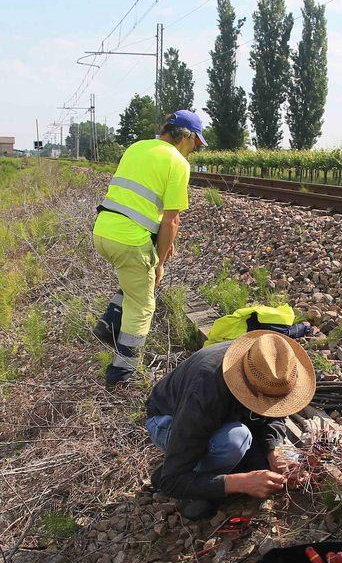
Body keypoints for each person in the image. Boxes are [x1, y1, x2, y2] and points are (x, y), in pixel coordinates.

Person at [146, 330, 316, 520]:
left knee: (262, 464)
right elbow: (171, 482)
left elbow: (273, 413)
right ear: (247, 389)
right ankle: (191, 472)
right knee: (235, 441)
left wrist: (274, 451)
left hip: (222, 417)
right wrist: (241, 483)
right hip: (166, 420)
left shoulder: (267, 370)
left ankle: (206, 474)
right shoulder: (205, 392)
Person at [92, 110, 206, 387]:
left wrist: (163, 244)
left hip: (103, 231)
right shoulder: (178, 162)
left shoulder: (136, 147)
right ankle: (122, 373)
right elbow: (171, 219)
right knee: (144, 302)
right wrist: (160, 263)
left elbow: (140, 203)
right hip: (130, 241)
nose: (194, 150)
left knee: (135, 279)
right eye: (195, 143)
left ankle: (108, 324)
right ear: (185, 137)